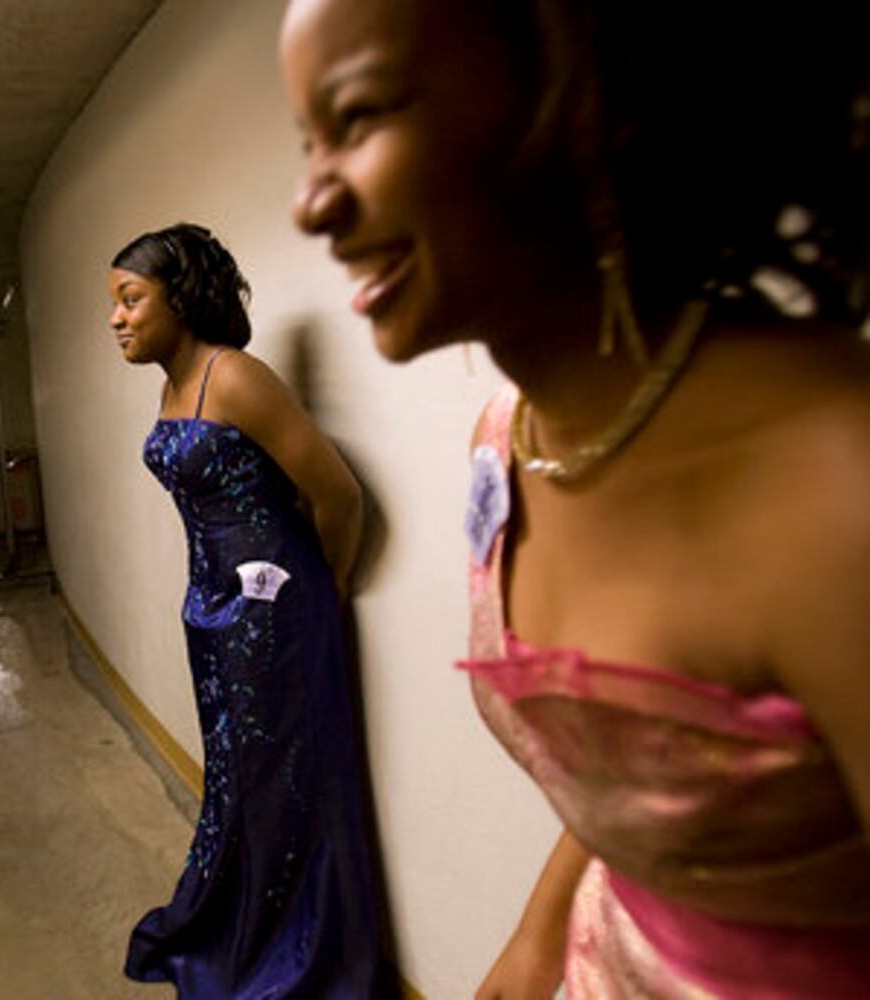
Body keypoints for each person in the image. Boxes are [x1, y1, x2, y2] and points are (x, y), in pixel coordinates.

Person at [282, 1, 870, 996]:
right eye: (306, 145)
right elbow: (652, 771)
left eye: (360, 116)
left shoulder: (834, 487)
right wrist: (541, 929)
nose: (309, 203)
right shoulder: (505, 441)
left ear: (589, 100)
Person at [109, 223, 392, 997]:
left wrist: (324, 592)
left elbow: (338, 495)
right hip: (209, 608)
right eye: (115, 304)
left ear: (181, 297)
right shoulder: (174, 383)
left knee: (279, 780)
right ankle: (239, 921)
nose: (116, 318)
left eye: (131, 300)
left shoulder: (235, 376)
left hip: (274, 615)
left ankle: (291, 953)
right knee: (238, 777)